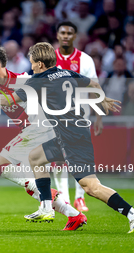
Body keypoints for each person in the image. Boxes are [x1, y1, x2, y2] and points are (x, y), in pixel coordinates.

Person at [0, 42, 133, 233]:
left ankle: (130, 213)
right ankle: (46, 207)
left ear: (40, 64)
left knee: (91, 187)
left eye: (32, 63)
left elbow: (9, 100)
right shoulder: (66, 72)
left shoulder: (38, 80)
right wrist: (102, 99)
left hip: (73, 139)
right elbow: (93, 84)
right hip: (67, 134)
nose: (30, 67)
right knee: (36, 157)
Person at [0, 44, 87, 231]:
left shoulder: (24, 81)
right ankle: (73, 214)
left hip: (42, 130)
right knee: (26, 181)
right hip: (31, 133)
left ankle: (49, 200)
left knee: (0, 165)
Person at [53, 21, 103, 211]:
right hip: (55, 116)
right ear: (57, 35)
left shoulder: (85, 59)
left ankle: (79, 198)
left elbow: (95, 88)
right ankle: (64, 198)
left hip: (80, 115)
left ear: (75, 36)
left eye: (69, 33)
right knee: (59, 158)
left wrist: (98, 116)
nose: (65, 35)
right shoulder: (50, 59)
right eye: (62, 32)